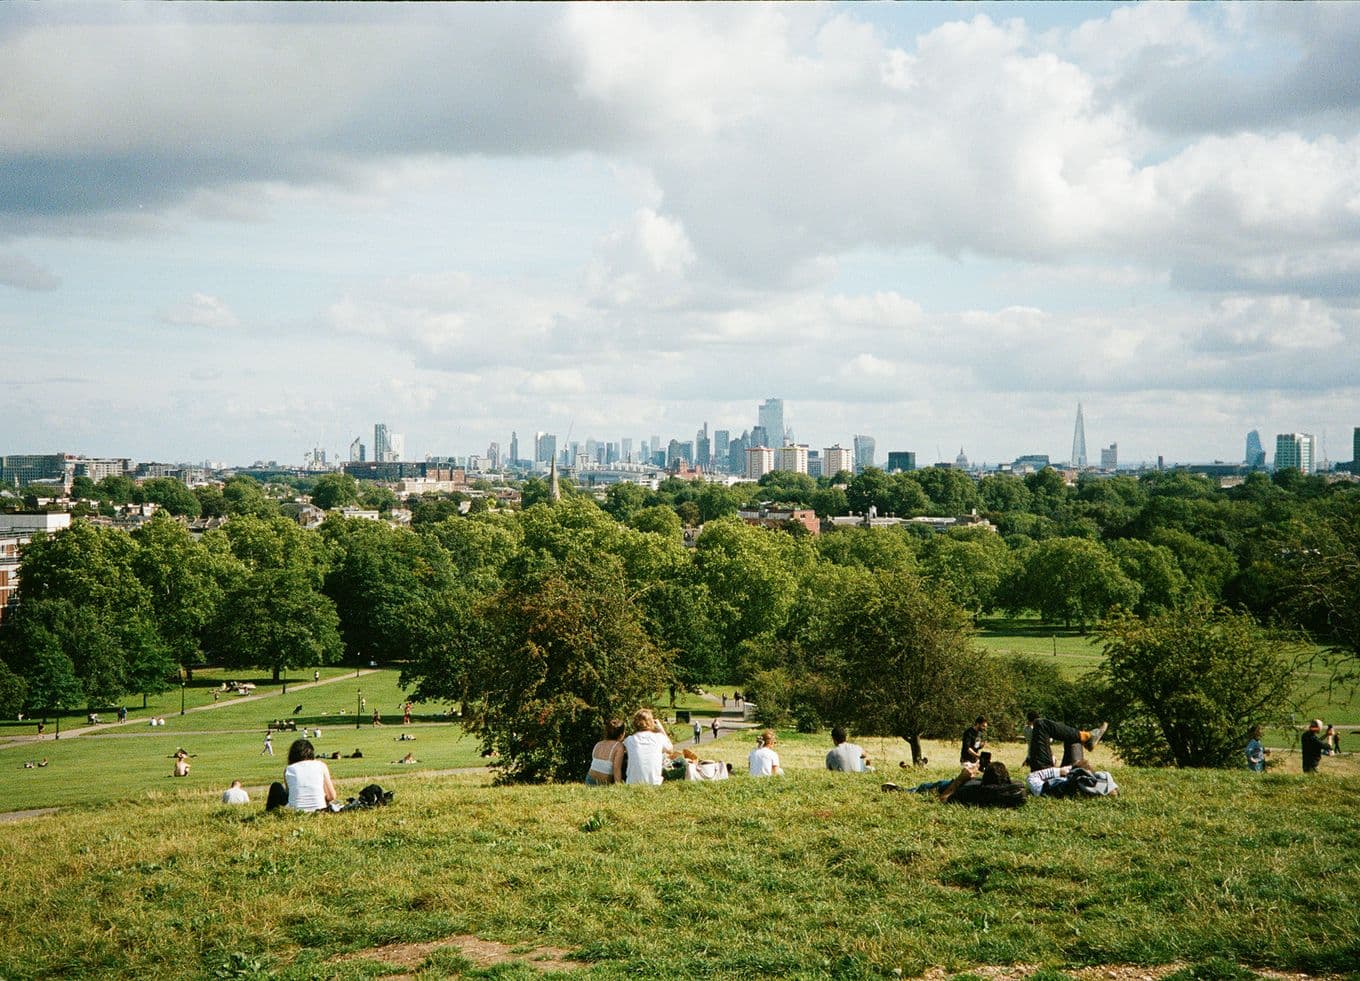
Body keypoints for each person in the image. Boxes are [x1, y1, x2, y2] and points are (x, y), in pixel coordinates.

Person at [267, 738, 337, 812]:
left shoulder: (289, 769)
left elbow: (290, 794)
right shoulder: (321, 765)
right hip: (320, 808)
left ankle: (269, 812)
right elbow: (332, 796)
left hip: (296, 811)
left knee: (276, 786)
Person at [1024, 712, 1107, 771]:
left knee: (1069, 736)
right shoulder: (1069, 782)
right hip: (1053, 773)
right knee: (1041, 723)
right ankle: (1087, 737)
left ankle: (1087, 738)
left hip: (1045, 774)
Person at [623, 708, 674, 785]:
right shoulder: (659, 737)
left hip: (632, 783)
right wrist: (661, 729)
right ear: (651, 722)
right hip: (654, 782)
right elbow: (670, 749)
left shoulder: (629, 740)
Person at [1025, 760, 1119, 797]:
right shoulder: (1102, 781)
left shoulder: (1064, 784)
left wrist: (1059, 771)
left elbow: (1031, 777)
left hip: (1045, 789)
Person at [586, 719, 626, 786]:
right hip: (602, 783)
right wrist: (619, 787)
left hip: (589, 779)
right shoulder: (618, 746)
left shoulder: (598, 744)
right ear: (622, 734)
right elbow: (616, 770)